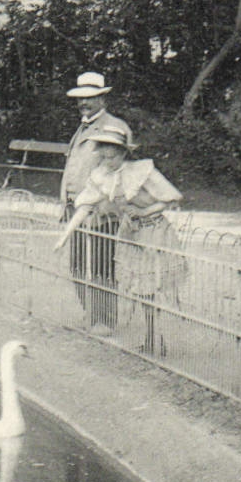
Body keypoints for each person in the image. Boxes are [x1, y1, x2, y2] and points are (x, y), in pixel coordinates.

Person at [53, 121, 183, 346]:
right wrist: (64, 236)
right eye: (104, 157)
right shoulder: (102, 175)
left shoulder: (142, 171)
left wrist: (143, 211)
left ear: (123, 153)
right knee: (141, 288)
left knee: (151, 286)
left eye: (112, 157)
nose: (108, 162)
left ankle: (155, 338)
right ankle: (152, 339)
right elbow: (84, 206)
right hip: (131, 232)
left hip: (153, 230)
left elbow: (172, 198)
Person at [57, 72, 129, 321]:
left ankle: (105, 319)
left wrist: (107, 203)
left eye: (89, 98)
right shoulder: (82, 128)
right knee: (76, 265)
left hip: (101, 210)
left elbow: (122, 170)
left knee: (102, 266)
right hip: (74, 208)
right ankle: (91, 314)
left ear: (102, 99)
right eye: (80, 99)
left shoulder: (114, 127)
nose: (84, 103)